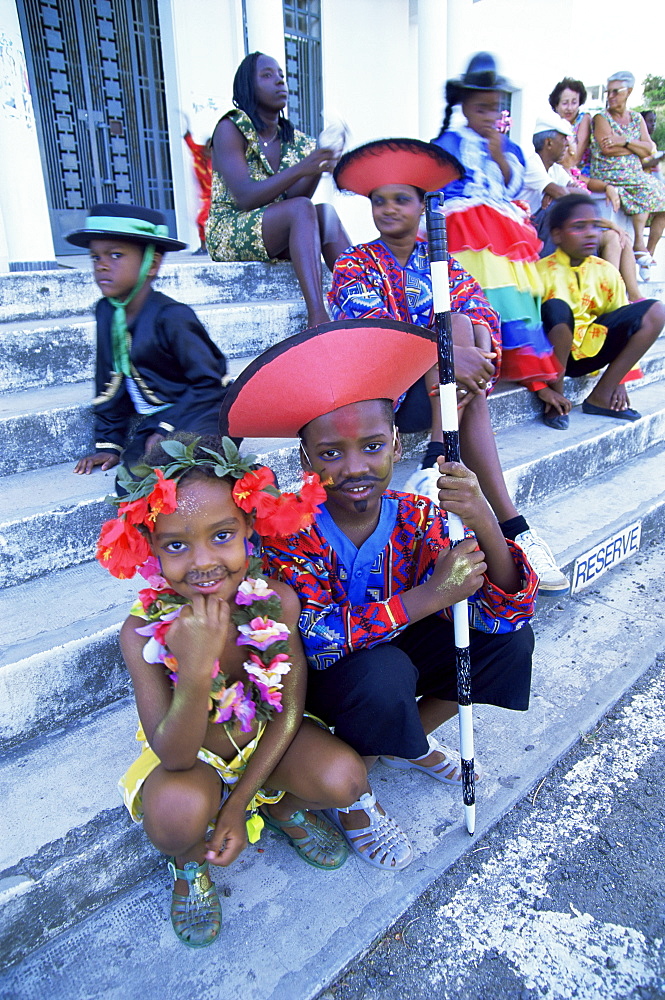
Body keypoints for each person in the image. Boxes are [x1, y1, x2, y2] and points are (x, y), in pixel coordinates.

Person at [220, 320, 538, 870]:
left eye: (371, 446)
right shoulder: (289, 529)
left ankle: (405, 739)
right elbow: (316, 643)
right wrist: (429, 597)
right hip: (321, 684)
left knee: (509, 645)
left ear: (395, 443)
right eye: (331, 453)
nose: (354, 468)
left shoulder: (420, 517)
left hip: (392, 657)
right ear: (306, 462)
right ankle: (360, 795)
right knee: (382, 672)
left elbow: (508, 610)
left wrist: (485, 518)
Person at [99, 434, 368, 947]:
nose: (203, 562)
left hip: (265, 740)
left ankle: (280, 805)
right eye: (176, 544)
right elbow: (175, 756)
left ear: (250, 527)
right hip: (192, 756)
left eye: (221, 535)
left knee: (345, 778)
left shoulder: (277, 603)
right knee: (173, 817)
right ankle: (187, 863)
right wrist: (196, 670)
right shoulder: (140, 633)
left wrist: (238, 803)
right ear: (150, 549)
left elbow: (289, 713)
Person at [330, 138, 569, 596]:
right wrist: (444, 349)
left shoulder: (444, 262)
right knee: (449, 341)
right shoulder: (352, 262)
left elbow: (482, 317)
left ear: (423, 206)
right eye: (378, 201)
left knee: (461, 325)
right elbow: (370, 338)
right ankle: (510, 522)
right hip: (384, 397)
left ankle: (438, 463)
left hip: (440, 399)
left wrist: (467, 345)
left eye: (401, 199)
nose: (387, 209)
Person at [67, 204, 229, 478]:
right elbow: (107, 380)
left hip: (204, 407)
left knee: (183, 464)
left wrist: (167, 428)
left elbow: (208, 382)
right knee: (131, 476)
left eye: (116, 255)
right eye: (95, 257)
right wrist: (109, 443)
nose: (102, 265)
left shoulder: (172, 316)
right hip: (163, 415)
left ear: (151, 264)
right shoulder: (106, 311)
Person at [431, 52, 561, 390]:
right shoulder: (448, 142)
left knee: (514, 287)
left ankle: (516, 355)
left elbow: (513, 185)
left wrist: (499, 152)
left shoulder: (509, 146)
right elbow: (436, 184)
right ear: (464, 107)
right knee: (480, 281)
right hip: (462, 224)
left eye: (495, 108)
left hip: (504, 224)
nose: (489, 115)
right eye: (481, 108)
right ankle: (481, 351)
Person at [206, 52, 350, 327]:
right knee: (303, 210)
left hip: (272, 229)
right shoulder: (230, 128)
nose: (280, 82)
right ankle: (318, 316)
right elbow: (246, 196)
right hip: (229, 228)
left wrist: (321, 164)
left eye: (282, 76)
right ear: (248, 85)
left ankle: (369, 298)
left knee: (325, 214)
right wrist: (303, 167)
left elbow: (296, 201)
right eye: (267, 75)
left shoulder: (294, 139)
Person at [535, 193, 665, 426]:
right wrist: (539, 386)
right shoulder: (538, 273)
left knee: (655, 311)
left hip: (590, 352)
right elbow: (526, 334)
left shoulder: (606, 271)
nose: (590, 234)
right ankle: (557, 399)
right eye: (579, 227)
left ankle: (601, 396)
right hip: (551, 358)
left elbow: (623, 321)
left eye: (595, 226)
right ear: (557, 234)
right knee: (557, 308)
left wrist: (620, 380)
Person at [522, 113, 641, 301]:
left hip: (546, 227)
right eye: (563, 139)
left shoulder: (555, 170)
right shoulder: (532, 164)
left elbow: (583, 196)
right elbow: (563, 196)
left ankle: (613, 294)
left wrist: (559, 192)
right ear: (548, 143)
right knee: (562, 211)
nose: (567, 145)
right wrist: (560, 192)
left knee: (614, 236)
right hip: (530, 231)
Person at [590, 71, 665, 274]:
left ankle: (647, 252)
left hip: (634, 175)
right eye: (608, 92)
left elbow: (649, 148)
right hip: (609, 171)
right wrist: (637, 148)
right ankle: (639, 244)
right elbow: (607, 149)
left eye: (616, 92)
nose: (611, 96)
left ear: (628, 92)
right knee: (647, 187)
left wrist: (624, 141)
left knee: (660, 198)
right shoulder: (601, 118)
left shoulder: (636, 118)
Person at [548, 77, 592, 175]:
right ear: (556, 105)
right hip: (557, 173)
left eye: (574, 102)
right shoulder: (553, 124)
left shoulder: (584, 119)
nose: (570, 108)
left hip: (578, 175)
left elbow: (575, 159)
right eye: (564, 103)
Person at [183, 117, 212, 254]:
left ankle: (206, 247)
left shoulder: (218, 161)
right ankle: (204, 247)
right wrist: (187, 133)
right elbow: (190, 142)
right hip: (204, 197)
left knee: (202, 221)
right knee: (201, 222)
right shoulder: (198, 152)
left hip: (214, 197)